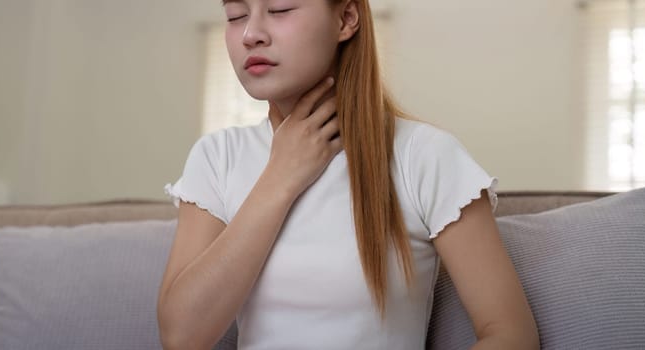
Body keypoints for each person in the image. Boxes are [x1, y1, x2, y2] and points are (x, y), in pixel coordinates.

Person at [156, 0, 539, 349]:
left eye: (280, 8)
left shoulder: (423, 155)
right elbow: (182, 337)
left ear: (346, 19)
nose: (250, 34)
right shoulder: (217, 157)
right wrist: (280, 178)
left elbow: (511, 335)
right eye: (235, 15)